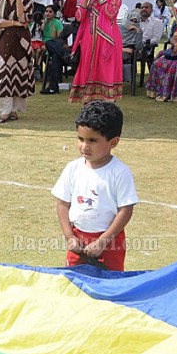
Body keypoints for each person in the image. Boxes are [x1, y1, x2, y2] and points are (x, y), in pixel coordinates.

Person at [52, 101, 137, 272]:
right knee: (75, 282)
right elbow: (63, 204)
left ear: (113, 142)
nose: (84, 146)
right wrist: (69, 236)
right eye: (80, 139)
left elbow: (126, 210)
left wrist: (103, 240)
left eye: (92, 140)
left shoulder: (119, 172)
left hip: (110, 242)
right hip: (78, 239)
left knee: (108, 284)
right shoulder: (73, 168)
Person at [69, 0, 123, 104]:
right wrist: (86, 0)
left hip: (107, 38)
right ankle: (89, 99)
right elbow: (79, 17)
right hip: (89, 37)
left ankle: (107, 100)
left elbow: (111, 13)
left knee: (106, 67)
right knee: (88, 66)